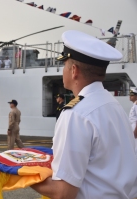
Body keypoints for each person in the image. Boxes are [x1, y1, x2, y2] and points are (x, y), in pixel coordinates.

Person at [31, 30, 137, 199]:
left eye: (64, 65)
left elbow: (63, 193)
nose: (62, 71)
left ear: (74, 70)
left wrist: (22, 174)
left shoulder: (76, 114)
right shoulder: (114, 105)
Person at [129, 88, 137, 156]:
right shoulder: (134, 105)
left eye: (132, 95)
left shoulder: (136, 105)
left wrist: (135, 131)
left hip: (135, 128)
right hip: (133, 127)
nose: (130, 96)